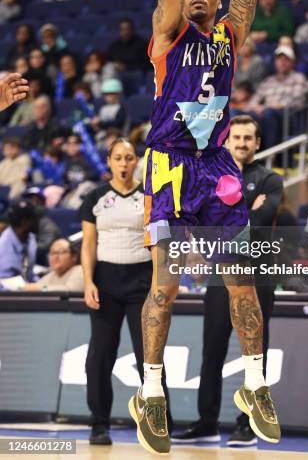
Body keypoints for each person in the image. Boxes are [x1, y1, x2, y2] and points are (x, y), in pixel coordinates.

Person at [128, 0, 280, 456]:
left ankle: (256, 384)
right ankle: (151, 391)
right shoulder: (166, 37)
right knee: (165, 290)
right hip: (167, 165)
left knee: (241, 281)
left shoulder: (230, 35)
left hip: (216, 166)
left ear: (216, 4)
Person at [173, 116, 283, 446]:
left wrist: (227, 215)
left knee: (255, 350)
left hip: (258, 275)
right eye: (237, 137)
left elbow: (262, 223)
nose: (242, 143)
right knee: (212, 350)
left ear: (258, 143)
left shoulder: (270, 179)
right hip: (220, 275)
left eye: (249, 138)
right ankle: (206, 422)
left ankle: (249, 424)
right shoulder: (212, 176)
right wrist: (244, 210)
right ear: (226, 140)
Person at [80, 138, 171, 445]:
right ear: (109, 161)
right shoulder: (94, 197)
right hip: (106, 282)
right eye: (118, 158)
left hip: (141, 282)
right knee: (100, 356)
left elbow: (160, 243)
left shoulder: (150, 196)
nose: (123, 163)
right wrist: (89, 281)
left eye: (129, 158)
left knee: (150, 354)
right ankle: (99, 423)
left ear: (136, 162)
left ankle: (159, 420)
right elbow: (88, 244)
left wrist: (162, 282)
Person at [248, 45, 308, 148]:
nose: (282, 62)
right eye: (279, 59)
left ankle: (268, 156)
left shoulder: (298, 78)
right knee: (240, 115)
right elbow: (252, 102)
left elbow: (299, 101)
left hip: (287, 116)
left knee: (269, 114)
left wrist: (280, 105)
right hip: (266, 114)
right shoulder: (269, 81)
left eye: (286, 59)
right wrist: (255, 107)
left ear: (293, 62)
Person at [0, 201, 38, 284]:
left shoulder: (31, 238)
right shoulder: (4, 245)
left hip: (27, 287)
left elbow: (29, 274)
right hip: (8, 293)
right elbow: (3, 281)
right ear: (23, 222)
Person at [23, 186, 61, 267]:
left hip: (45, 265)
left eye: (36, 201)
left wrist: (21, 250)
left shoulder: (48, 225)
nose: (32, 204)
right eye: (29, 201)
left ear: (42, 203)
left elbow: (42, 249)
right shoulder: (23, 221)